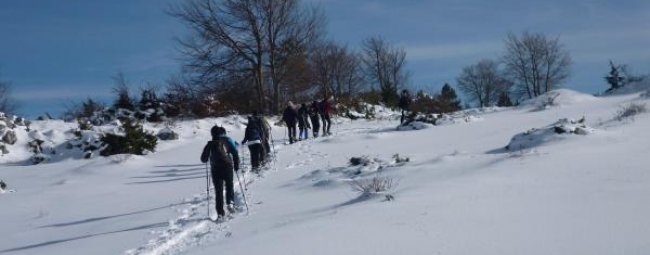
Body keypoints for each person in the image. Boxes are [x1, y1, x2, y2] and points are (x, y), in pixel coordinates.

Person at [201, 126, 240, 220]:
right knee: (229, 185)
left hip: (215, 169)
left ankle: (220, 213)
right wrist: (236, 165)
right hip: (227, 167)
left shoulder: (209, 144)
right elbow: (235, 153)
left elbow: (203, 159)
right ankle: (230, 203)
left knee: (218, 192)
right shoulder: (226, 141)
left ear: (212, 134)